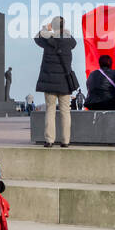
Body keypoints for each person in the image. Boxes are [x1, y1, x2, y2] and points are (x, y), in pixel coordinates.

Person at [35, 17, 77, 148]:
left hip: (49, 81)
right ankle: (65, 141)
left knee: (50, 110)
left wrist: (45, 29)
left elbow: (37, 38)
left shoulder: (48, 41)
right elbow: (74, 42)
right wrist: (63, 30)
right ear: (63, 26)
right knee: (65, 111)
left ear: (52, 26)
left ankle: (49, 140)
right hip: (64, 81)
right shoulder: (69, 41)